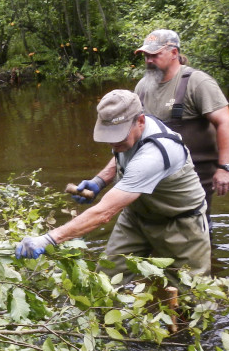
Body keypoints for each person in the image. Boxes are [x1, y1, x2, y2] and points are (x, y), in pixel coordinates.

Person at [16, 90, 211, 284]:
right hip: (136, 217)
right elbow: (122, 153)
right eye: (108, 135)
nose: (112, 142)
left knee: (191, 293)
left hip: (179, 224)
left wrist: (49, 239)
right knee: (106, 282)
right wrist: (100, 181)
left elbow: (104, 213)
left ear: (140, 121)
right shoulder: (127, 133)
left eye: (118, 136)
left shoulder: (156, 154)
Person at [133, 29, 229, 222]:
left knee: (195, 226)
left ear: (174, 53)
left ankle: (208, 252)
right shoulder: (142, 87)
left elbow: (225, 122)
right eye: (146, 55)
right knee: (155, 224)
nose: (148, 60)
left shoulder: (197, 82)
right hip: (155, 172)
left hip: (196, 174)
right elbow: (133, 133)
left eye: (154, 55)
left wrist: (226, 168)